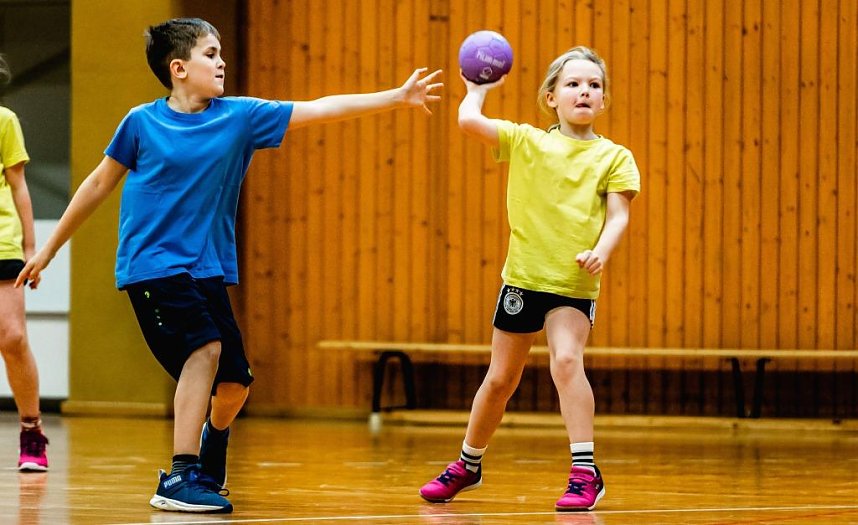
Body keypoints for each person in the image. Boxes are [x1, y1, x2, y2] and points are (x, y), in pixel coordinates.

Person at [16, 17, 442, 514]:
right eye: (210, 54)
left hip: (206, 270)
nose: (221, 63)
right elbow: (96, 185)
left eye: (221, 54)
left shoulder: (240, 117)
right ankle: (178, 476)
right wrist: (46, 249)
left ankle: (210, 447)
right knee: (205, 349)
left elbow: (320, 109)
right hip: (152, 266)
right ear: (179, 68)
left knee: (236, 382)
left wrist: (395, 96)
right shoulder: (141, 123)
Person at [419, 46, 639, 512]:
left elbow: (619, 216)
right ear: (551, 97)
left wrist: (600, 251)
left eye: (594, 85)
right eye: (574, 84)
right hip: (523, 278)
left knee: (565, 360)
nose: (585, 91)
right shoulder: (525, 141)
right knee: (500, 378)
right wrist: (476, 89)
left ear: (603, 100)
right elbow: (467, 122)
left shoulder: (614, 157)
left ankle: (584, 472)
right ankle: (467, 464)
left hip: (572, 283)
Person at [0, 55, 49, 473]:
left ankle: (32, 430)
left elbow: (19, 185)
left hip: (2, 244)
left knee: (12, 338)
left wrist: (32, 249)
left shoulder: (4, 120)